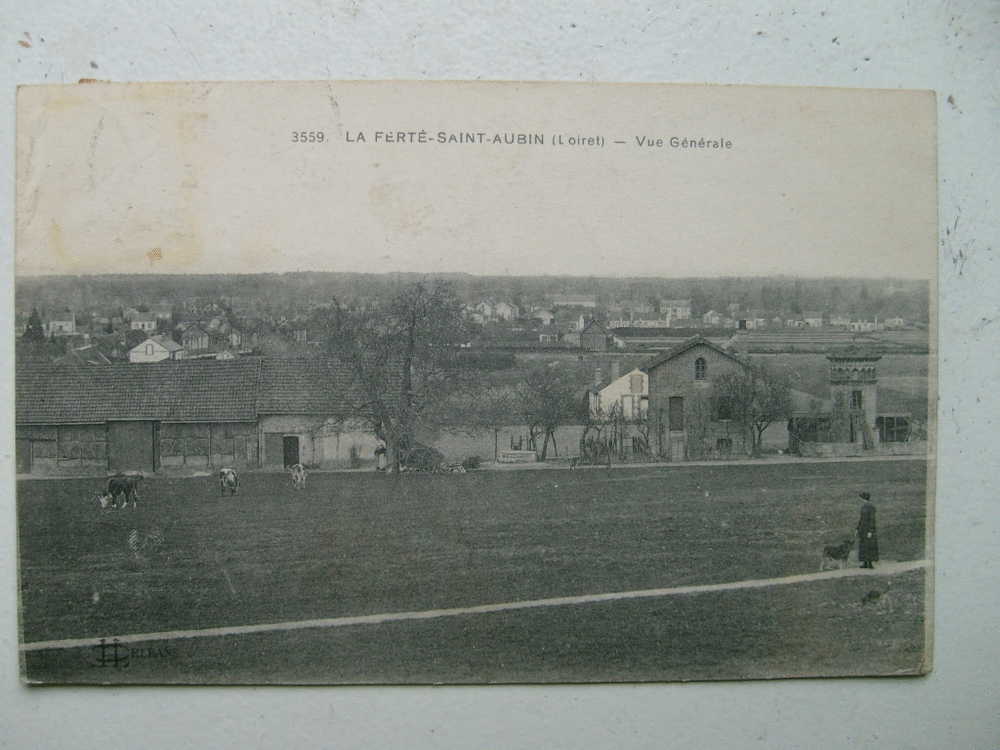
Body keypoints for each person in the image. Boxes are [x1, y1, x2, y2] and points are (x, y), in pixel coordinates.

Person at [856, 491, 879, 569]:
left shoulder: (870, 507)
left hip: (868, 529)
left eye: (861, 498)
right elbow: (861, 519)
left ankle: (870, 564)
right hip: (863, 529)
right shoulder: (863, 507)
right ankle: (865, 563)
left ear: (864, 498)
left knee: (869, 546)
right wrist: (857, 528)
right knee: (863, 546)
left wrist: (870, 531)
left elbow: (872, 520)